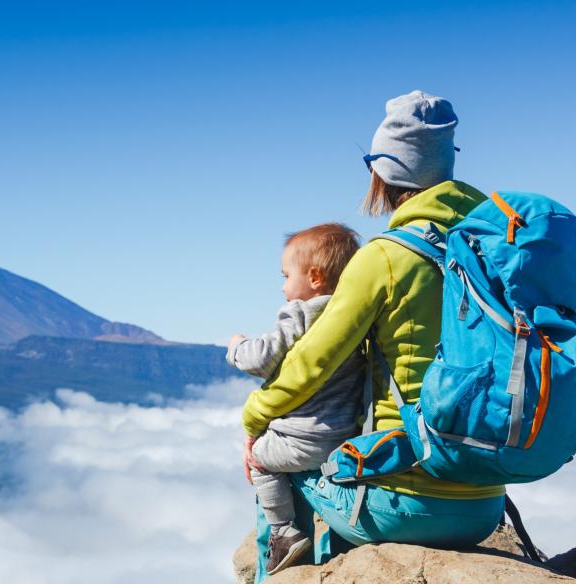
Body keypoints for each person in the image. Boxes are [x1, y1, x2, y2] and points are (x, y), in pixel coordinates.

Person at [241, 90, 506, 562]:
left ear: (383, 169)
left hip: (407, 501)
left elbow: (311, 363)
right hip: (486, 502)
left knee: (270, 456)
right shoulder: (490, 250)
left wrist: (254, 421)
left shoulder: (384, 258)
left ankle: (279, 564)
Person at [226, 223, 365, 575]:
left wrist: (236, 347)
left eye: (286, 276)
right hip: (346, 441)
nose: (283, 286)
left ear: (315, 277)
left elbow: (261, 358)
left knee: (259, 458)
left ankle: (283, 531)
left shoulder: (302, 312)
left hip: (304, 442)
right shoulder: (355, 317)